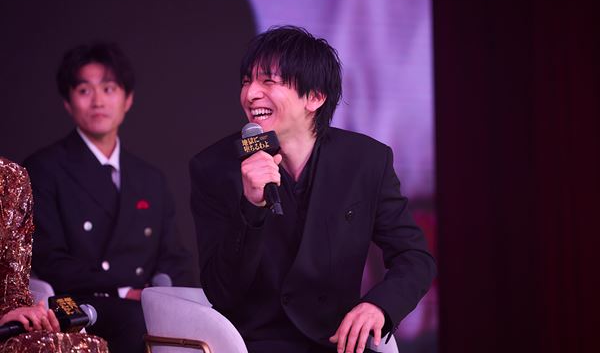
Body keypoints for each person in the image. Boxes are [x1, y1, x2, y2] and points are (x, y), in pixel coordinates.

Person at [189, 26, 436, 353]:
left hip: (336, 342)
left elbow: (414, 257)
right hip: (253, 344)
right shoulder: (214, 167)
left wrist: (379, 306)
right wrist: (251, 206)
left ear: (315, 97)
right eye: (247, 81)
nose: (250, 94)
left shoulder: (365, 161)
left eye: (269, 81)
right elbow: (221, 290)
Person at [24, 42, 192, 353]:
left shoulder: (150, 178)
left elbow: (174, 258)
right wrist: (124, 289)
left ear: (128, 99)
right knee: (134, 321)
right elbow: (48, 259)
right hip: (73, 301)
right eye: (84, 90)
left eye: (109, 88)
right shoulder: (43, 169)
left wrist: (160, 293)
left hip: (144, 300)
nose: (98, 101)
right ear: (68, 102)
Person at [0, 157, 109, 353]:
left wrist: (24, 315)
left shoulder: (10, 177)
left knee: (84, 346)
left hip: (4, 326)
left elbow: (12, 288)